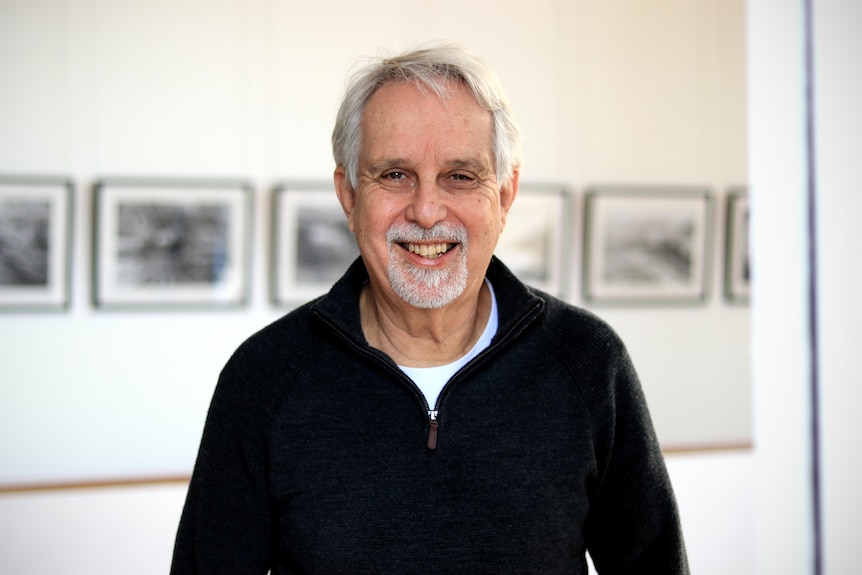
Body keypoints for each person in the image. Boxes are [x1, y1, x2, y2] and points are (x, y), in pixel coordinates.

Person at [170, 43, 689, 574]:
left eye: (460, 176)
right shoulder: (264, 378)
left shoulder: (588, 363)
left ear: (505, 196)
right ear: (349, 195)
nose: (425, 211)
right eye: (394, 174)